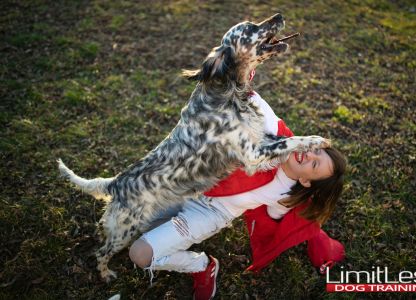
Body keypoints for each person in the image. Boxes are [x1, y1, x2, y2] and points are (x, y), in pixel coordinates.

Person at [128, 91, 346, 299]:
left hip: (209, 213)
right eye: (316, 150)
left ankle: (202, 266)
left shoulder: (284, 195)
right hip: (192, 186)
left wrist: (304, 232)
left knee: (140, 253)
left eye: (314, 164)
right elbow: (248, 95)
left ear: (306, 181)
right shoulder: (276, 131)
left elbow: (276, 221)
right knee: (134, 221)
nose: (308, 154)